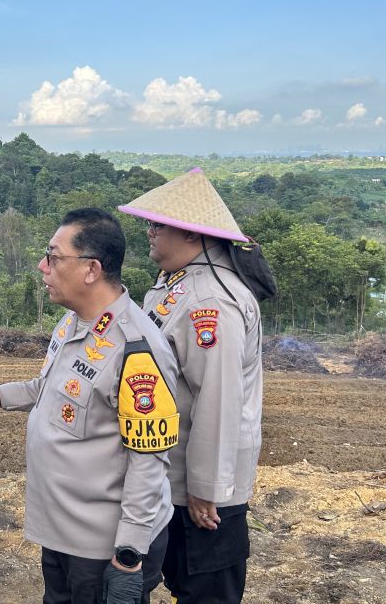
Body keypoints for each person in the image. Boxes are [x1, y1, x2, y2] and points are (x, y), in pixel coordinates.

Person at [0, 208, 179, 604]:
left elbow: (149, 460)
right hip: (62, 532)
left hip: (103, 547)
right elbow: (47, 388)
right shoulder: (73, 322)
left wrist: (129, 554)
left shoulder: (136, 349)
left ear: (91, 269)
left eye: (53, 256)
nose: (42, 266)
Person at [118, 168, 264, 603]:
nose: (149, 232)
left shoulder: (210, 302)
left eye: (158, 224)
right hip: (173, 476)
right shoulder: (177, 286)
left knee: (206, 591)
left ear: (193, 235)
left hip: (202, 493)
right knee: (181, 579)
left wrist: (207, 488)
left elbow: (218, 398)